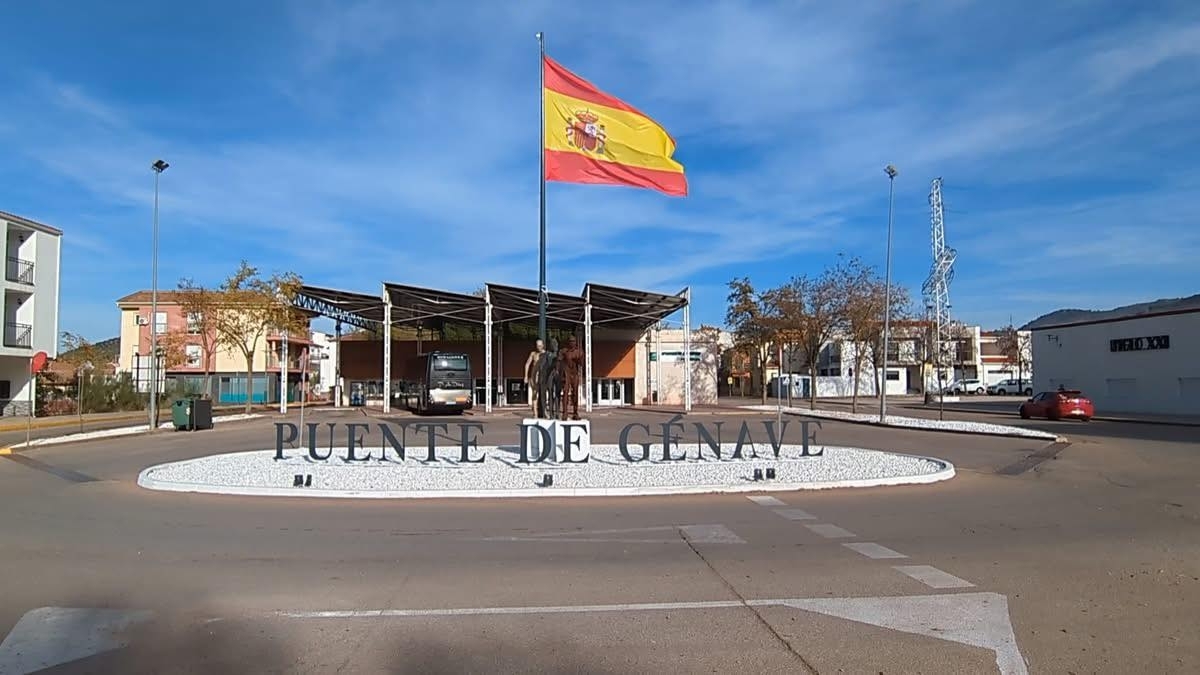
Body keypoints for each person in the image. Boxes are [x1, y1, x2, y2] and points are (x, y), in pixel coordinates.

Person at [557, 334, 585, 421]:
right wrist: (558, 372)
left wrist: (578, 359)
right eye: (570, 341)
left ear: (576, 342)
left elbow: (581, 364)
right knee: (565, 393)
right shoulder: (564, 351)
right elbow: (559, 361)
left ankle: (575, 412)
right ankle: (565, 412)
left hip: (575, 374)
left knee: (575, 393)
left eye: (573, 341)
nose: (572, 343)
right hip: (566, 373)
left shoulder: (579, 351)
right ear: (568, 342)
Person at [523, 339, 545, 416]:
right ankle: (535, 412)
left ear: (543, 345)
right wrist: (526, 376)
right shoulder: (533, 354)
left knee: (543, 394)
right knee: (535, 393)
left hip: (543, 376)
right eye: (537, 345)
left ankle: (544, 411)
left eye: (540, 345)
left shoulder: (545, 354)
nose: (538, 347)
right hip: (534, 375)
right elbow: (527, 364)